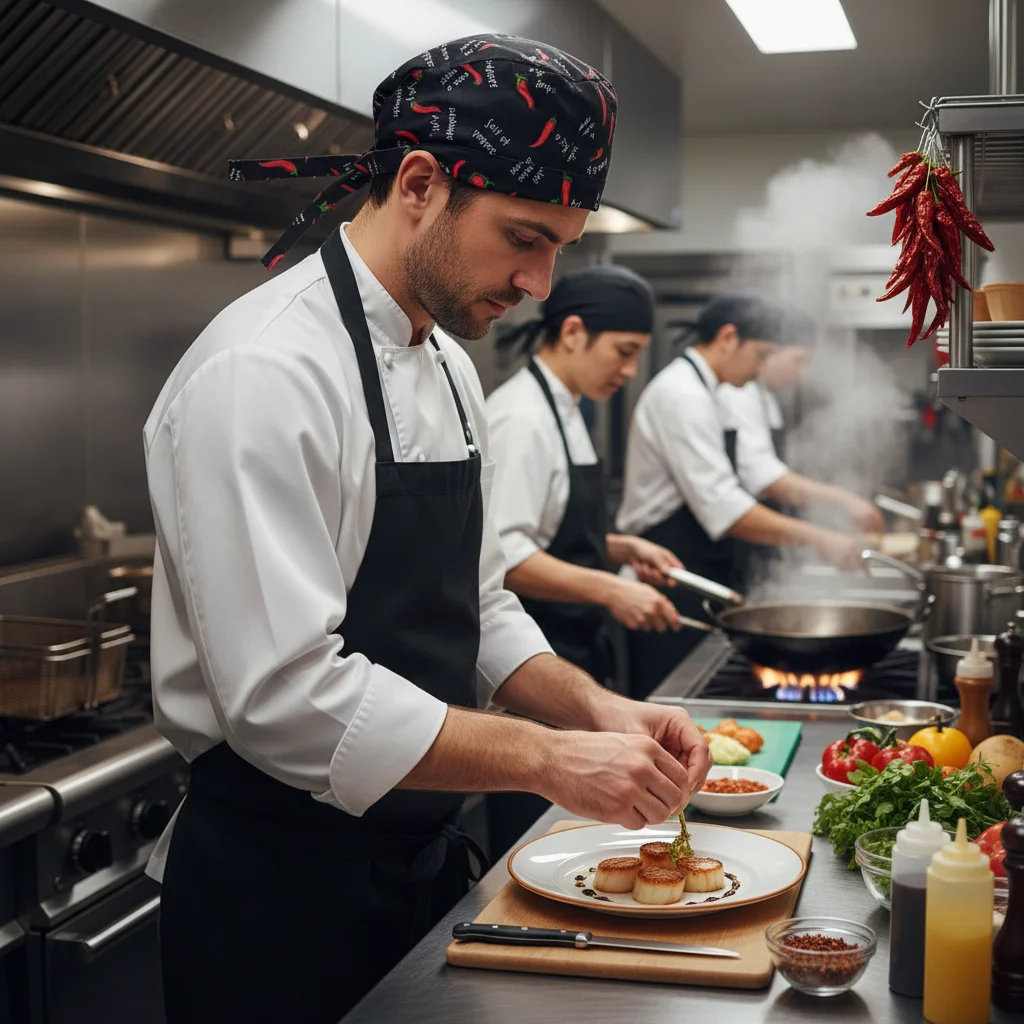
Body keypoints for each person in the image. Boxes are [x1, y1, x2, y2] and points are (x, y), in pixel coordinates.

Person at [144, 35, 710, 1024]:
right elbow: (286, 698)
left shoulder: (448, 362)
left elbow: (476, 597)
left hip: (419, 872)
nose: (540, 284)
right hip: (280, 903)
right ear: (417, 182)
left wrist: (592, 709)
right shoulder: (265, 372)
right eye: (524, 237)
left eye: (559, 250)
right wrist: (543, 758)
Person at [484, 265, 684, 855]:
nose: (629, 371)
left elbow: (549, 526)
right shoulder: (521, 416)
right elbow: (503, 556)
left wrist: (621, 548)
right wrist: (610, 588)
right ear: (572, 333)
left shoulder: (568, 406)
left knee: (571, 833)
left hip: (569, 651)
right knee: (532, 841)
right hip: (528, 665)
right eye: (624, 353)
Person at [617, 295, 866, 699]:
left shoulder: (709, 391)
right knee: (671, 707)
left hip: (698, 565)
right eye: (760, 354)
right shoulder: (682, 395)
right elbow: (725, 507)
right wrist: (820, 538)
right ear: (728, 338)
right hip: (668, 574)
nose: (761, 368)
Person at [718, 310, 886, 535]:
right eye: (798, 360)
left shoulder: (764, 397)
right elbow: (765, 478)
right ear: (772, 352)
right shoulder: (738, 394)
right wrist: (844, 502)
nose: (801, 373)